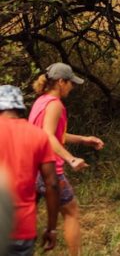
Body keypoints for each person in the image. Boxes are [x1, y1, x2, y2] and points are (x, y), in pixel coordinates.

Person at [28, 63, 104, 256]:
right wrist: (71, 159)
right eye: (70, 83)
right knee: (71, 213)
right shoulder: (55, 105)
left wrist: (83, 139)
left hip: (32, 168)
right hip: (49, 169)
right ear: (61, 82)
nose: (72, 86)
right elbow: (48, 136)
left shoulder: (41, 101)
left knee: (24, 215)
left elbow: (55, 133)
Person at [0, 85, 59, 256]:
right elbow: (52, 184)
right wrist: (52, 229)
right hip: (22, 229)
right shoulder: (38, 136)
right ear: (20, 107)